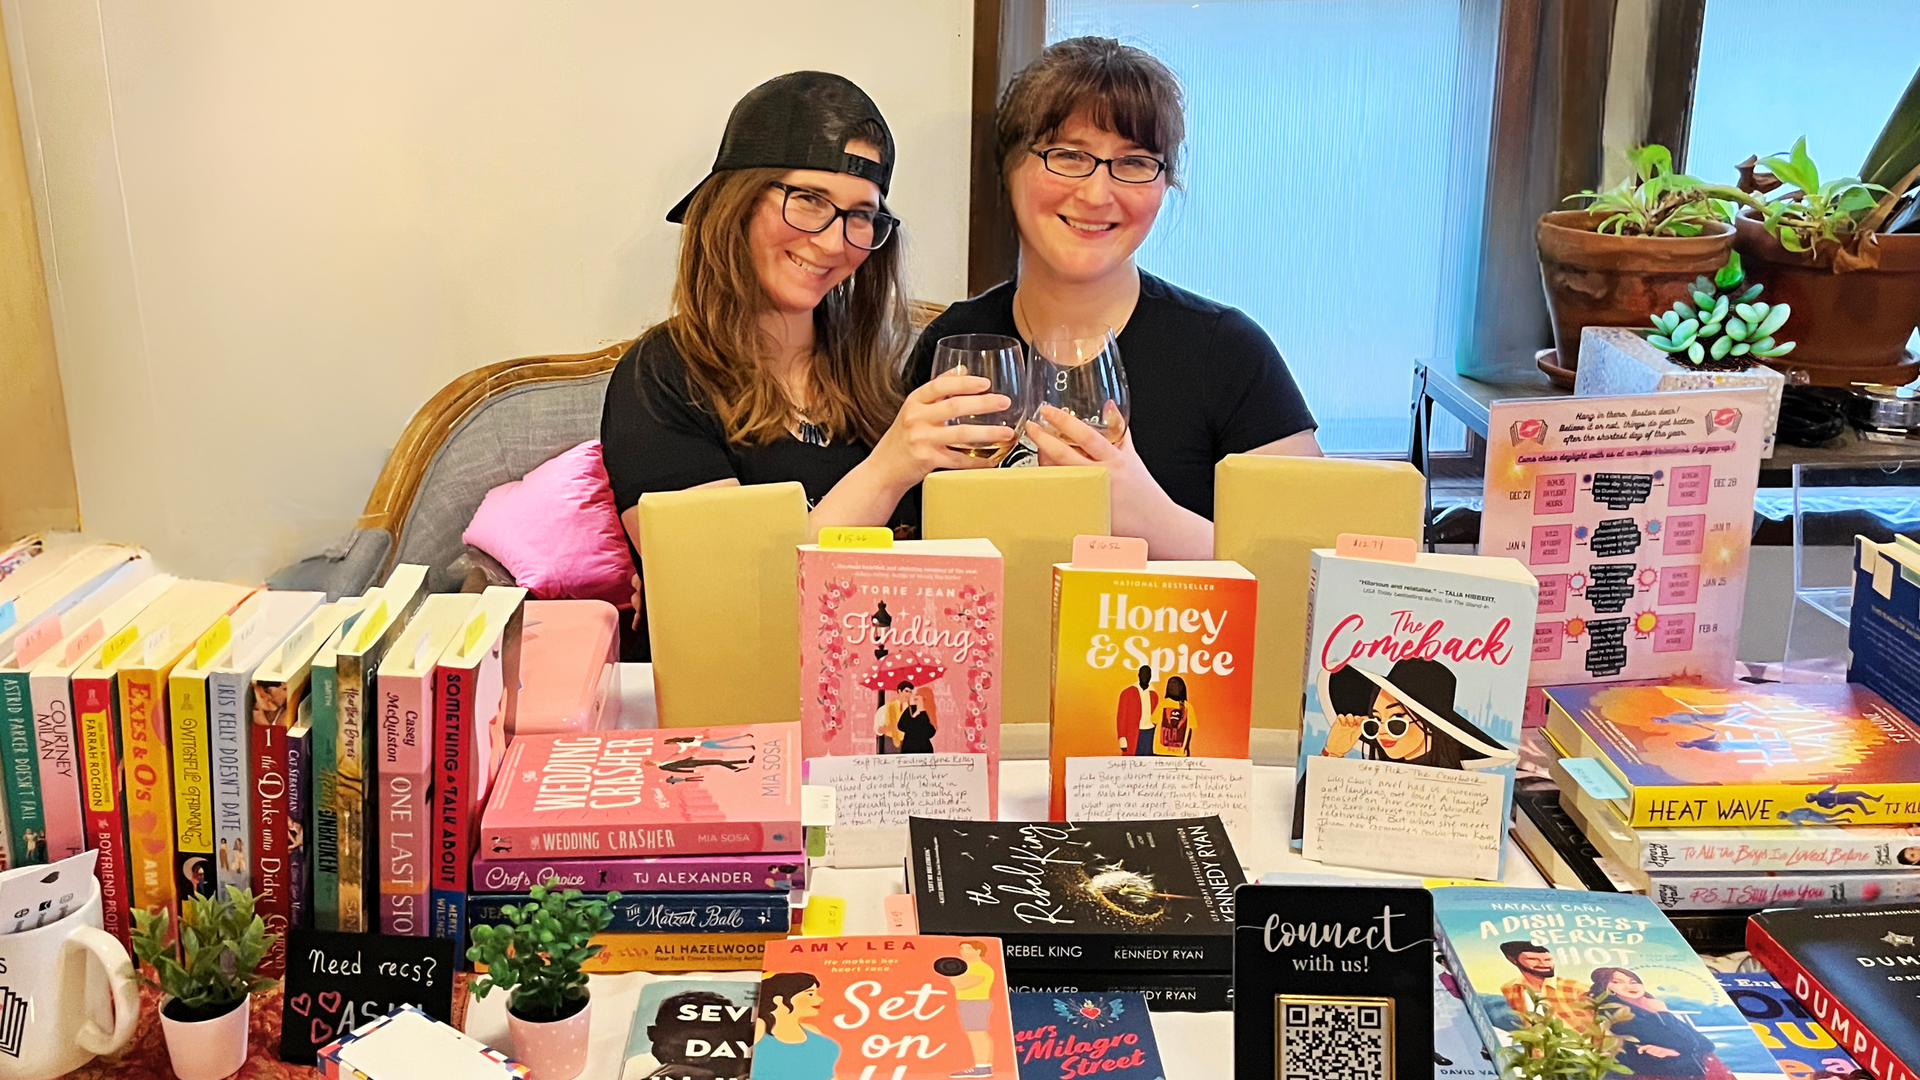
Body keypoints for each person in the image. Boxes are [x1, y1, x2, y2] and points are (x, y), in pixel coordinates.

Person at [602, 72, 1015, 659]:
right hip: (727, 712)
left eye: (860, 215)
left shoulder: (875, 377)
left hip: (878, 695)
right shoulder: (662, 376)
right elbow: (724, 596)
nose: (832, 241)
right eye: (809, 201)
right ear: (734, 203)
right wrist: (887, 469)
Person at [908, 37, 1320, 560]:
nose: (1097, 194)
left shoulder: (1228, 352)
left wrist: (1149, 517)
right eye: (1069, 155)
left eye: (1134, 163)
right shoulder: (954, 344)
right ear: (1008, 167)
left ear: (1165, 183)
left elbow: (1311, 578)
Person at [1588, 967, 1730, 1080]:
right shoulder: (1616, 1013)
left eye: (1633, 981)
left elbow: (1705, 1043)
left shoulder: (1647, 1008)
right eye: (1617, 982)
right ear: (1606, 988)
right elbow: (1689, 1043)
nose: (1629, 985)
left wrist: (1672, 1047)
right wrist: (1663, 1013)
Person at [751, 972, 839, 1080]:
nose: (820, 999)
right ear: (779, 1000)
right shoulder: (760, 1027)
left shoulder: (812, 1031)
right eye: (810, 994)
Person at [1496, 942, 1594, 1036]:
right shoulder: (1509, 989)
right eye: (1533, 959)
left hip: (1578, 1045)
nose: (1543, 964)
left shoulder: (1574, 987)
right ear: (1513, 960)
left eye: (1548, 960)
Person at [940, 940, 1000, 1079]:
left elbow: (961, 983)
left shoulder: (979, 968)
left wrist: (951, 971)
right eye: (961, 949)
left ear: (978, 951)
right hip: (970, 1003)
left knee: (977, 1034)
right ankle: (984, 1066)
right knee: (977, 1034)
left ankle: (982, 1067)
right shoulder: (971, 967)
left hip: (975, 1003)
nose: (963, 952)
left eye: (967, 949)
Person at [1116, 665, 1158, 755]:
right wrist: (1122, 737)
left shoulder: (1154, 695)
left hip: (1150, 733)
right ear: (1138, 675)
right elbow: (1121, 717)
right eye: (1143, 674)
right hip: (1133, 733)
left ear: (1150, 676)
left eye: (1147, 674)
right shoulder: (1127, 693)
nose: (1145, 676)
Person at [1153, 676, 1194, 756]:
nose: (1171, 686)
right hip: (1160, 751)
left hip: (1179, 753)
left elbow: (1190, 729)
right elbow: (1155, 722)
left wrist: (1187, 747)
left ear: (1181, 687)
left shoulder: (1188, 707)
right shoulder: (1163, 704)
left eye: (1174, 684)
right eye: (1170, 684)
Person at [898, 684, 938, 753]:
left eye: (917, 694)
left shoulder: (928, 713)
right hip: (908, 748)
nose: (914, 696)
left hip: (924, 749)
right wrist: (915, 714)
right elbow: (901, 726)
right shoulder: (910, 709)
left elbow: (930, 733)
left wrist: (921, 712)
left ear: (924, 697)